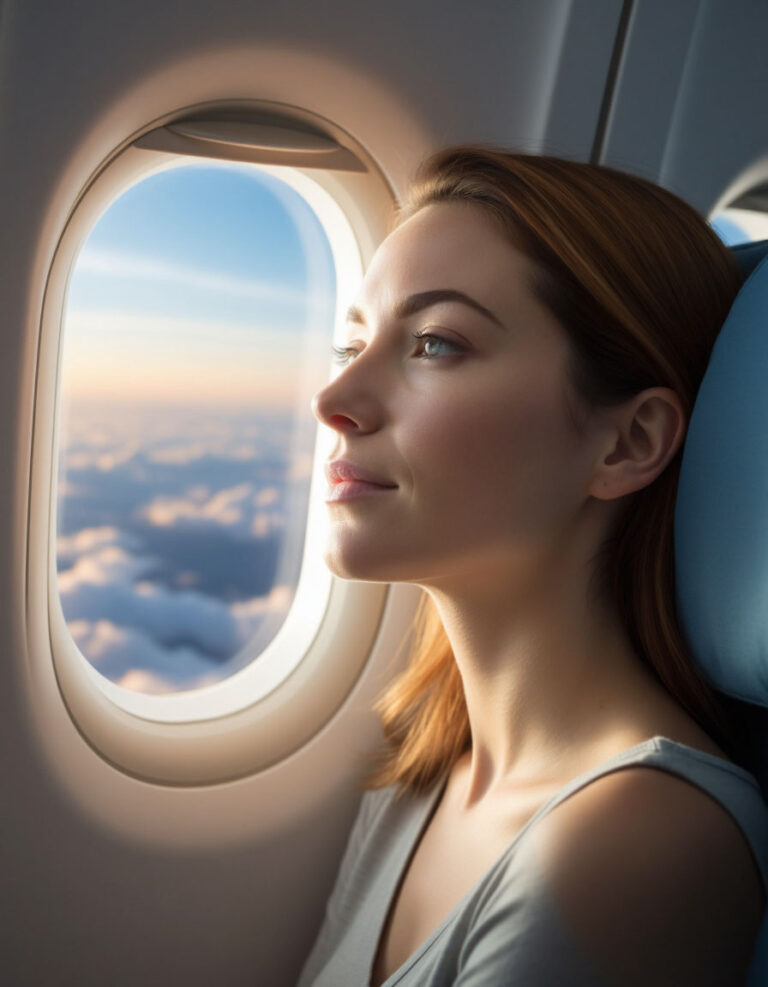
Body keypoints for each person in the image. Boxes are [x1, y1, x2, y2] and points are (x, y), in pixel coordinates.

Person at [297, 145, 768, 986]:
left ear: (629, 443)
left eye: (435, 344)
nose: (334, 400)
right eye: (352, 343)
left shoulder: (636, 839)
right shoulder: (426, 767)